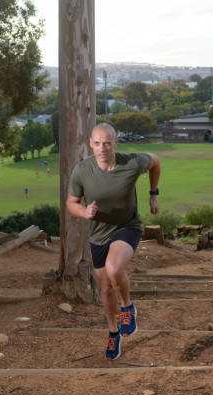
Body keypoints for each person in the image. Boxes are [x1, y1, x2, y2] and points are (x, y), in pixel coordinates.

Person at [66, 123, 161, 360]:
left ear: (115, 143)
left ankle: (128, 307)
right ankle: (112, 331)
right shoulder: (82, 171)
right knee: (106, 286)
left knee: (114, 268)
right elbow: (71, 202)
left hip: (127, 226)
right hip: (99, 233)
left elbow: (156, 161)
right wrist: (84, 213)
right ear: (91, 144)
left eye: (107, 143)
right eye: (97, 143)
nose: (102, 148)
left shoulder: (131, 163)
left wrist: (153, 193)